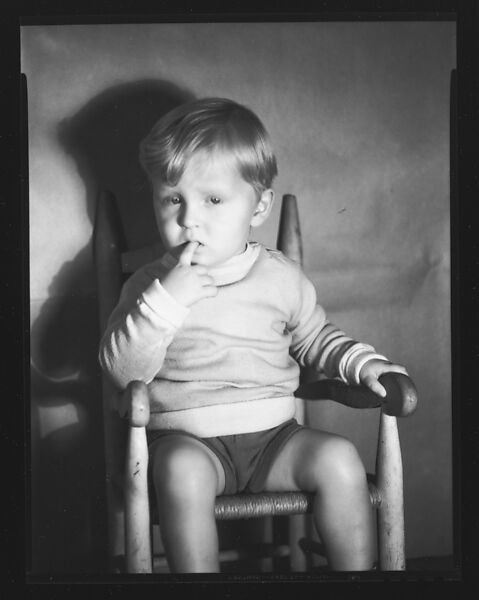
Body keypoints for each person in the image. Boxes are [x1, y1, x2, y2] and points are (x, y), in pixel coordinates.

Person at [99, 97, 408, 572]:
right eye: (172, 198)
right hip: (186, 440)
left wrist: (362, 365)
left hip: (275, 438)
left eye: (213, 199)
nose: (189, 219)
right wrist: (169, 300)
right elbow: (122, 371)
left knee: (341, 459)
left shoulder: (279, 276)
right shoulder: (147, 287)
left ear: (258, 206)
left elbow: (315, 338)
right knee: (182, 473)